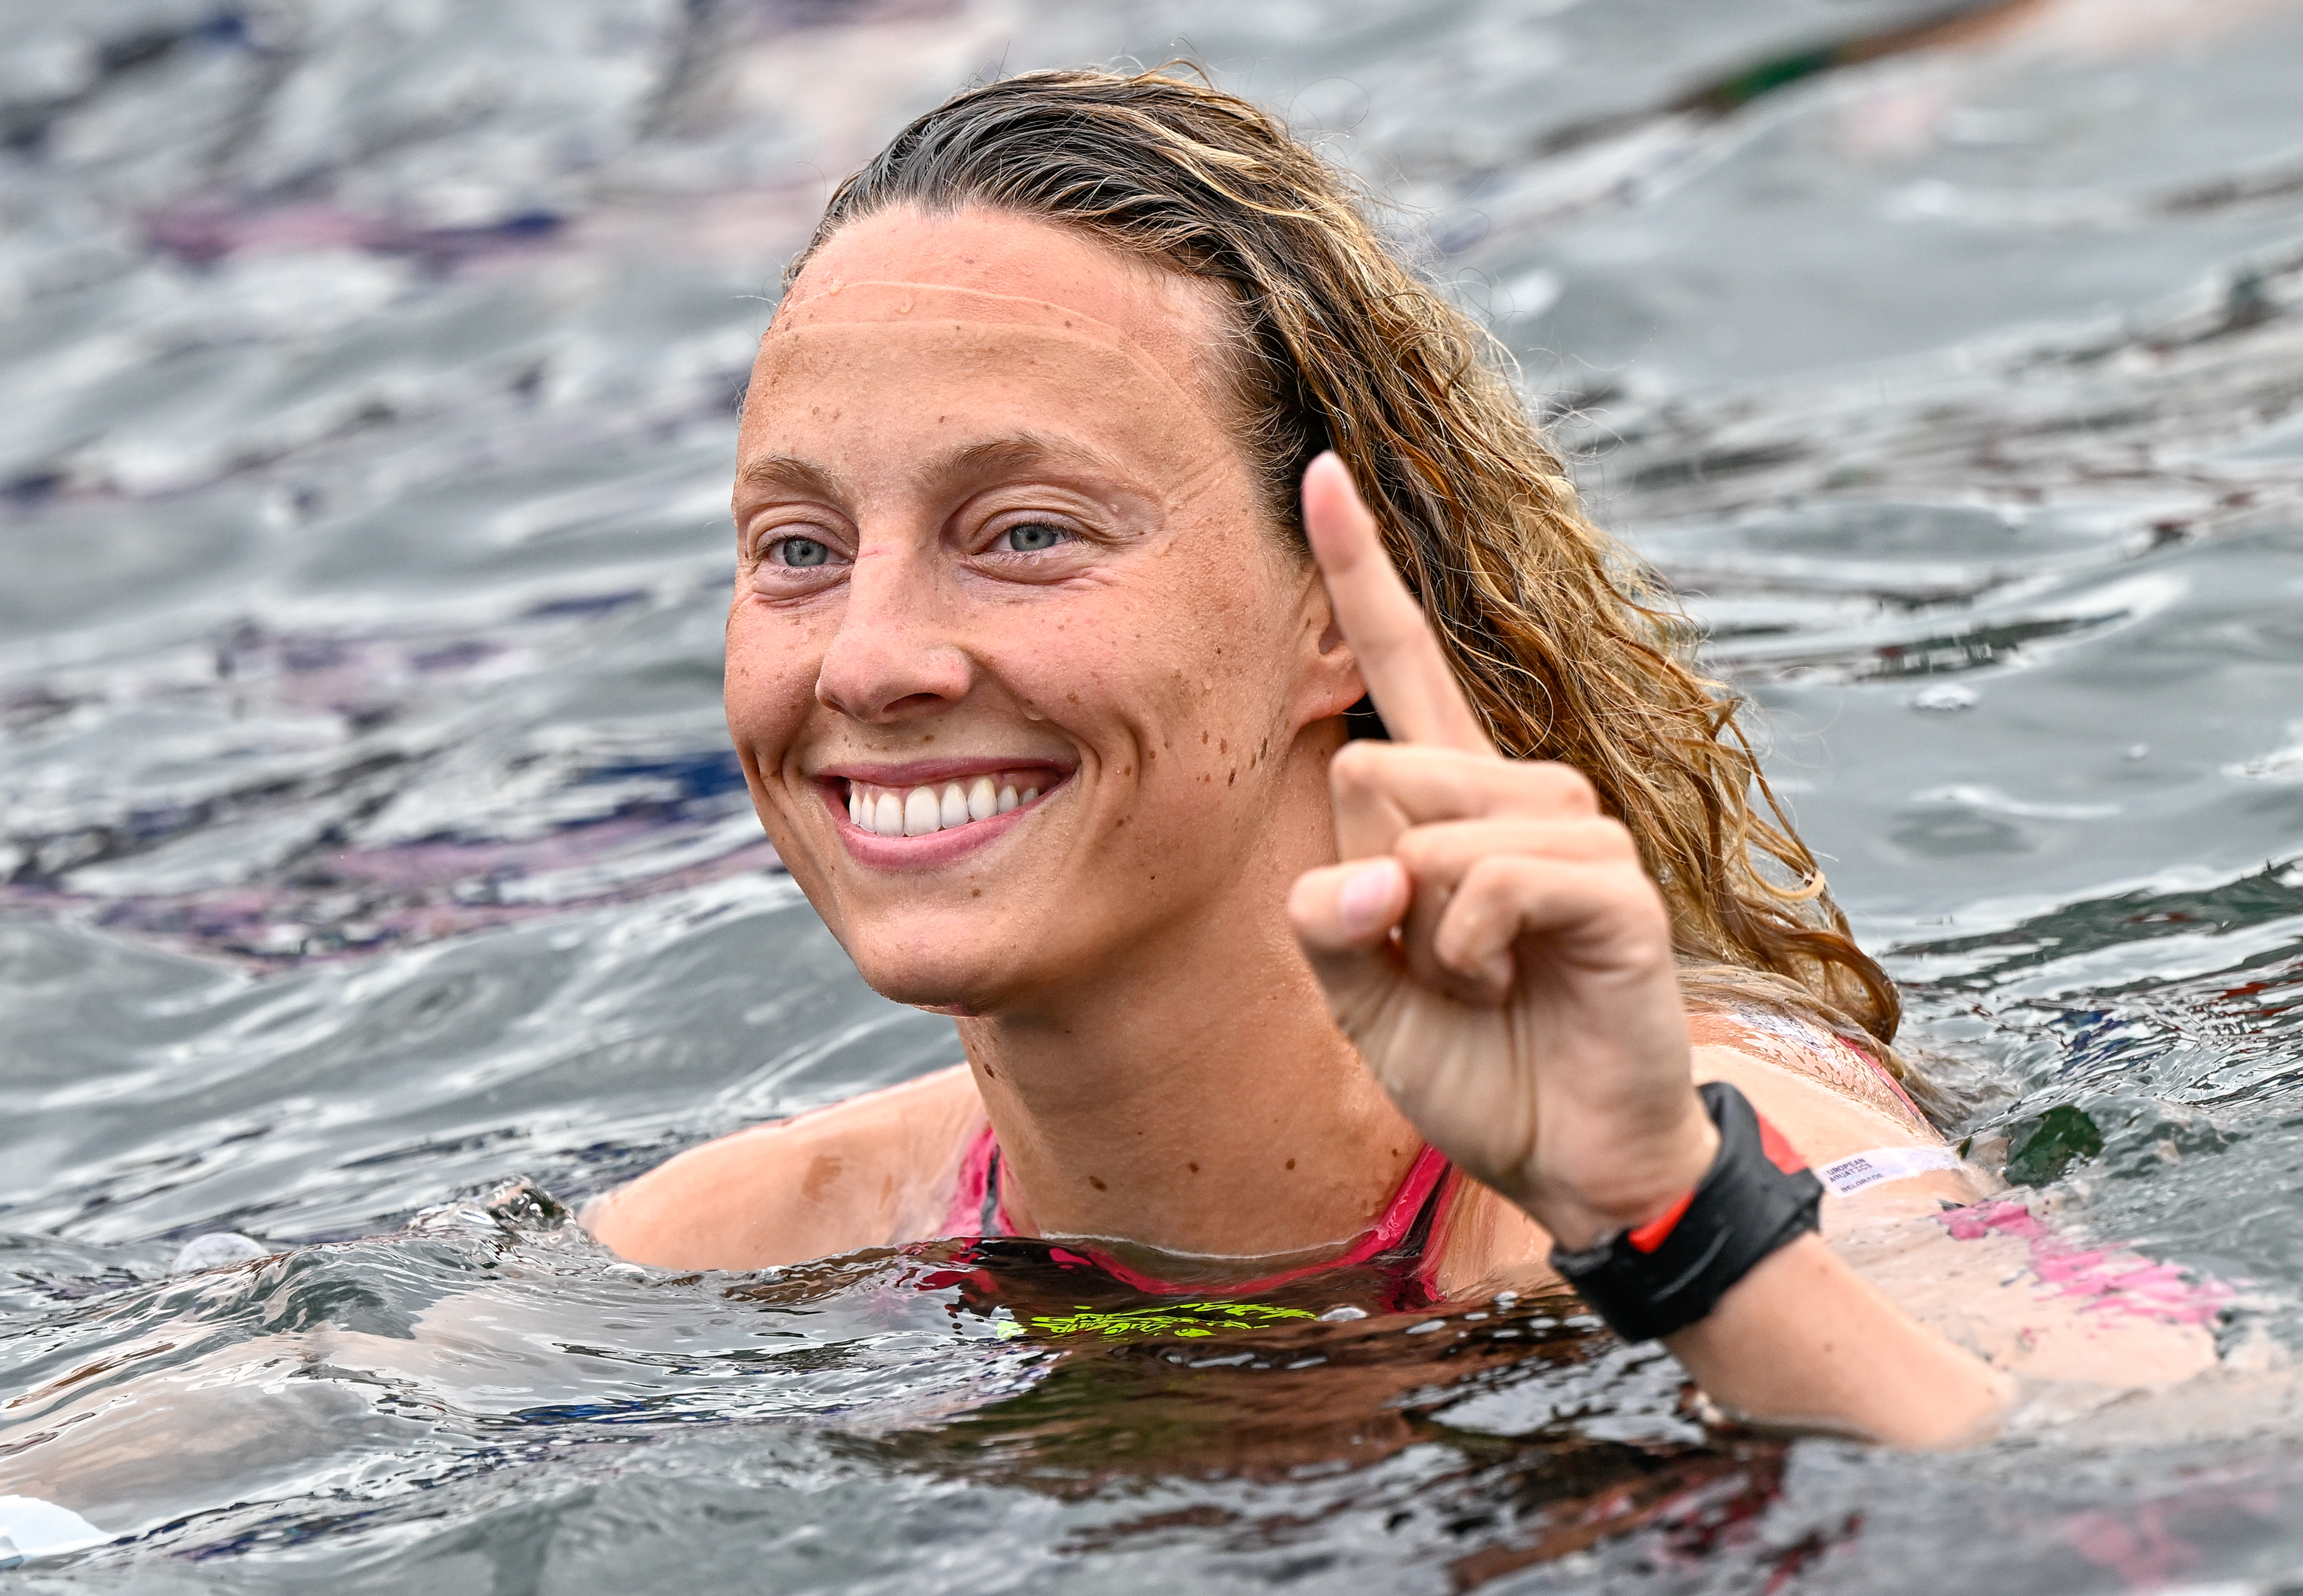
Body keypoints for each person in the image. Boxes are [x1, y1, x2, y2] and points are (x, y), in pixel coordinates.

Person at [585, 66, 2216, 1446]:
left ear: (1337, 617)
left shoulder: (1746, 1152)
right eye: (796, 547)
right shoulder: (737, 1251)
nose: (869, 658)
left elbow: (2205, 1469)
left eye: (1023, 531)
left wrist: (1669, 1220)